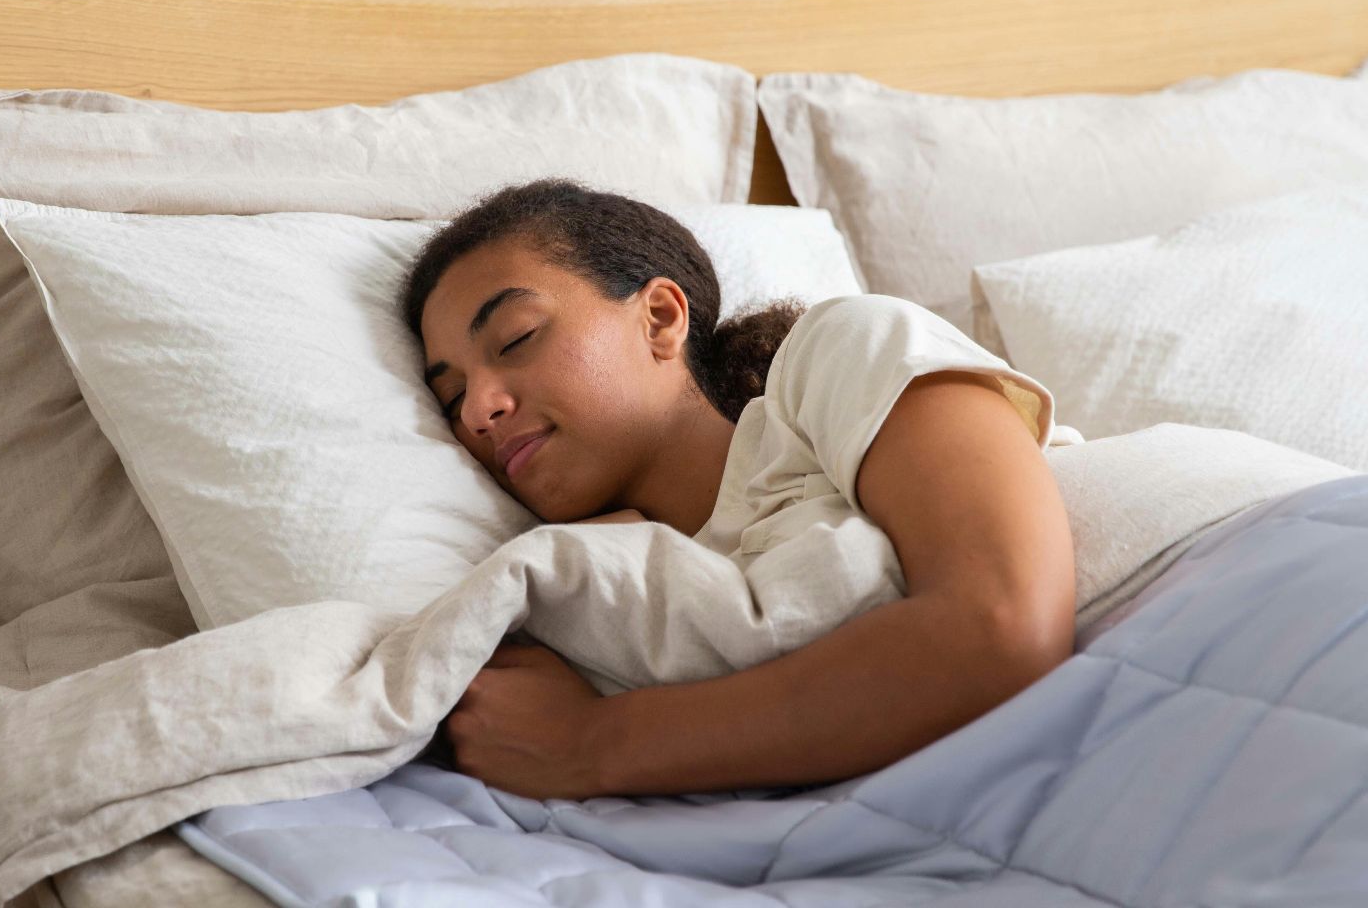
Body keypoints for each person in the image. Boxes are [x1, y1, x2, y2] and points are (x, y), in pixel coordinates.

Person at [402, 177, 1076, 801]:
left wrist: (594, 741)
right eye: (451, 395)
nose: (478, 410)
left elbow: (1002, 624)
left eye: (516, 337)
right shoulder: (585, 594)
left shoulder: (842, 353)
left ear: (661, 318)